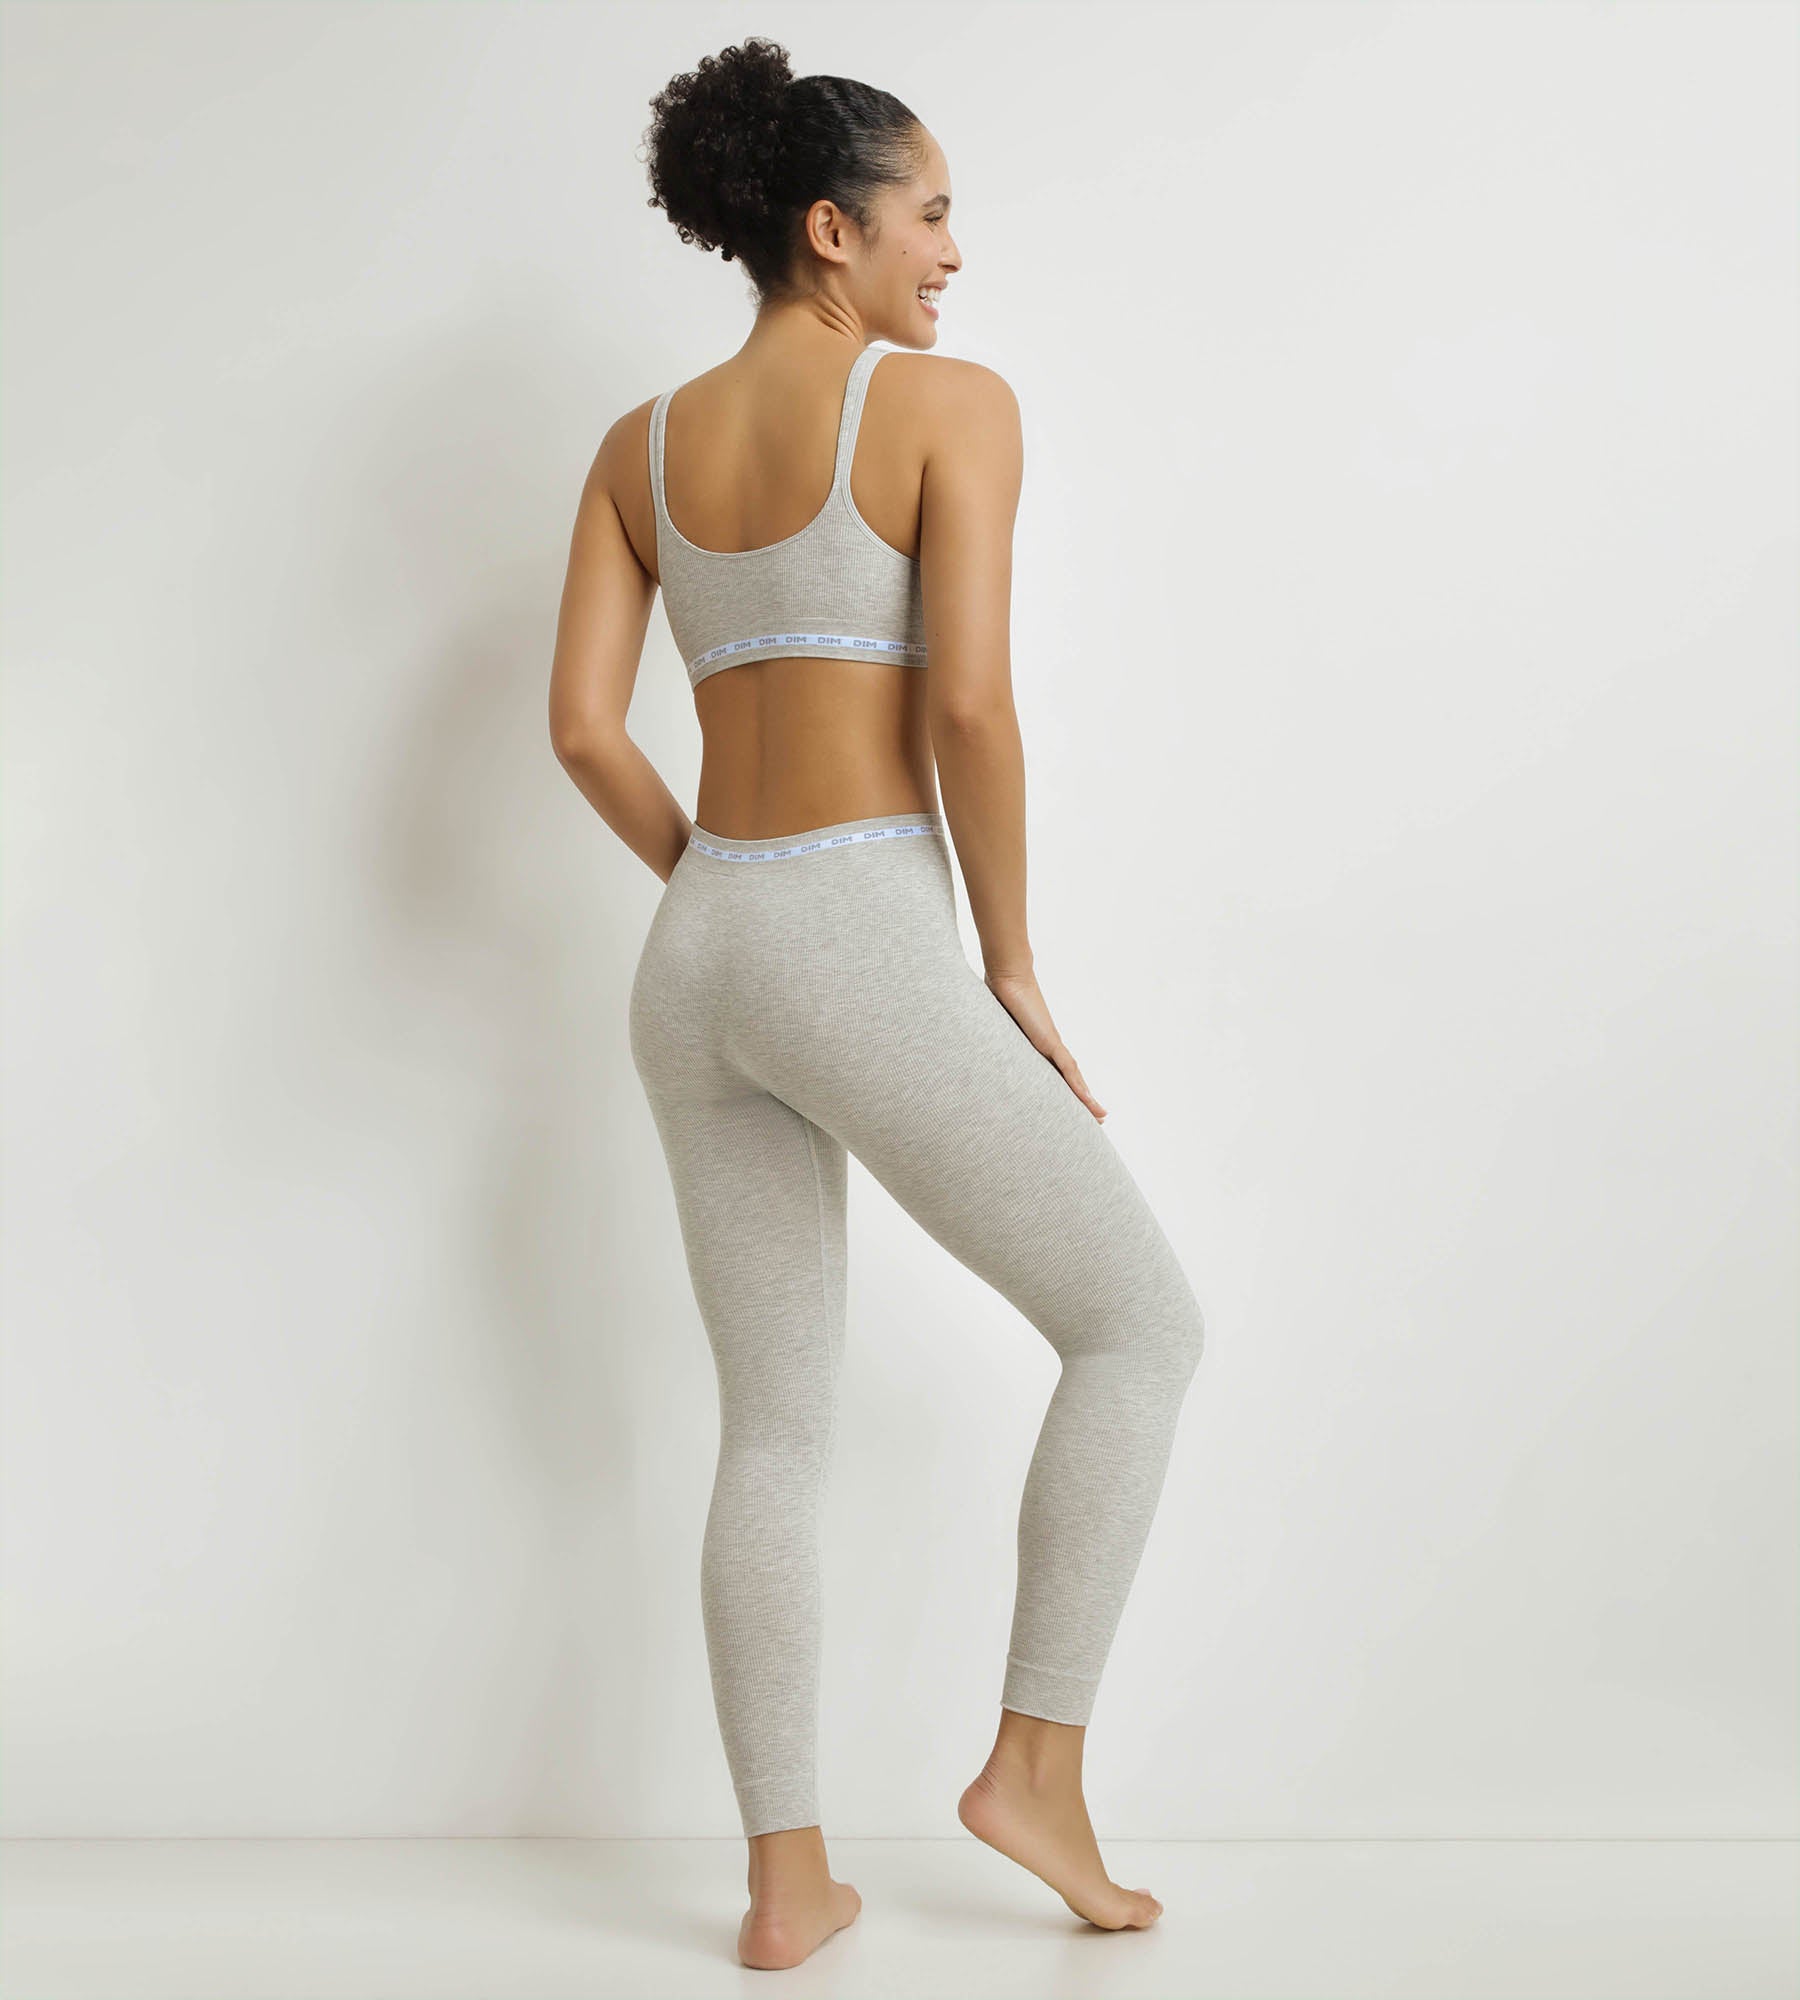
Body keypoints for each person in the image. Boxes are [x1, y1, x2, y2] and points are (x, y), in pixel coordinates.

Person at [548, 35, 1207, 1973]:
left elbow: (582, 729)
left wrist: (721, 901)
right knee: (1140, 1325)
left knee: (774, 1430)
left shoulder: (636, 449)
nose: (954, 252)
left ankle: (785, 1883)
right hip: (852, 923)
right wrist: (1007, 962)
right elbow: (970, 708)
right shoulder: (946, 406)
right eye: (931, 212)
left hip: (698, 956)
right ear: (832, 231)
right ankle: (1034, 1767)